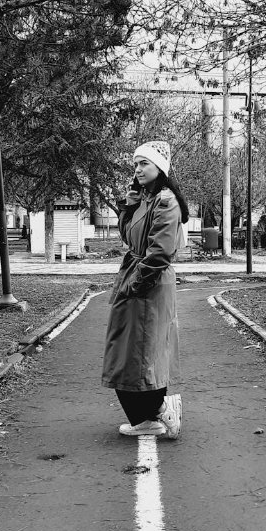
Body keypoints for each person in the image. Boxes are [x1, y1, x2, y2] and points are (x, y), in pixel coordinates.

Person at [102, 140, 189, 439]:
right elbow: (129, 237)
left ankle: (161, 411)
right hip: (137, 278)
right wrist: (129, 206)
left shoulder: (166, 201)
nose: (138, 169)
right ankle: (146, 418)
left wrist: (135, 285)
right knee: (128, 351)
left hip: (148, 284)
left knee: (143, 351)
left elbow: (160, 252)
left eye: (144, 163)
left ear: (160, 168)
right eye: (136, 163)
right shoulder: (146, 199)